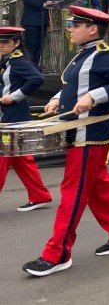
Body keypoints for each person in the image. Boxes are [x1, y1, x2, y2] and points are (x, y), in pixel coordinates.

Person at [24, 6, 109, 277]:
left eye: (75, 25)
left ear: (92, 29)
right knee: (98, 186)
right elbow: (73, 86)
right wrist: (56, 99)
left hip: (91, 134)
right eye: (71, 24)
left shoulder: (105, 56)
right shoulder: (83, 55)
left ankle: (57, 253)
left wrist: (93, 97)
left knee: (73, 193)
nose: (70, 29)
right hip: (81, 133)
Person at [0, 27, 51, 212]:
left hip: (13, 117)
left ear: (16, 43)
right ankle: (40, 196)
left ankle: (40, 196)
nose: (0, 46)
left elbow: (37, 78)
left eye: (5, 42)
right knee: (21, 159)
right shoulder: (8, 61)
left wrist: (14, 96)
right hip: (11, 115)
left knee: (2, 157)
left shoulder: (18, 61)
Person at [21, 0, 54, 66]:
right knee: (31, 46)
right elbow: (28, 1)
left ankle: (35, 66)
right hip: (31, 22)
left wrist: (53, 3)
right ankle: (28, 67)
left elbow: (49, 0)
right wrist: (44, 4)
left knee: (39, 47)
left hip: (43, 22)